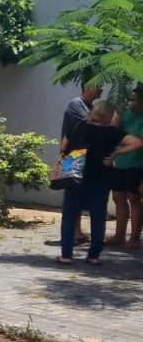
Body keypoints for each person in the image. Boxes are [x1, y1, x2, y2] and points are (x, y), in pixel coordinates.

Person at [57, 100, 143, 265]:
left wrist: (68, 155)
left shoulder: (80, 126)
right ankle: (93, 256)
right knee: (97, 218)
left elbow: (65, 144)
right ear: (109, 116)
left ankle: (66, 255)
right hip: (101, 179)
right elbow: (138, 142)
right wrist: (116, 155)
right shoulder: (113, 132)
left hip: (76, 176)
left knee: (69, 216)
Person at [61, 84, 104, 244]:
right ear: (86, 87)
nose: (102, 89)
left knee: (78, 194)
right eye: (98, 86)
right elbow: (90, 123)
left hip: (84, 157)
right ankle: (72, 232)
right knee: (72, 195)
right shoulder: (76, 104)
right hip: (74, 156)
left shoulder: (90, 106)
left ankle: (76, 230)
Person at [110, 88, 143, 249]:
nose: (132, 103)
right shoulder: (126, 114)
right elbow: (112, 132)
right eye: (130, 99)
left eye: (135, 100)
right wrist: (118, 113)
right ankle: (119, 235)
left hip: (137, 164)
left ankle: (135, 237)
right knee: (118, 197)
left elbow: (139, 142)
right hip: (120, 163)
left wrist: (125, 142)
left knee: (134, 198)